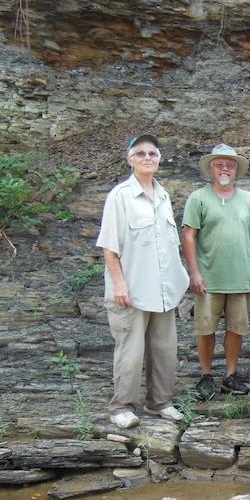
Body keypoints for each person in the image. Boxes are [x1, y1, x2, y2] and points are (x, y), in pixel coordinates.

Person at [97, 134, 189, 429]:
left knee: (165, 350)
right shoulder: (120, 196)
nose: (147, 158)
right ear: (130, 160)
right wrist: (119, 284)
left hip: (163, 290)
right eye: (141, 153)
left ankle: (159, 402)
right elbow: (109, 247)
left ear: (159, 159)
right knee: (130, 353)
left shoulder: (163, 196)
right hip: (132, 290)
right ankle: (121, 407)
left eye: (152, 153)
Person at [181, 144, 250, 400]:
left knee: (236, 329)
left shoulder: (249, 200)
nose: (224, 169)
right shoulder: (198, 198)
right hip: (209, 279)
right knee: (205, 329)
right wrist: (194, 273)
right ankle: (206, 375)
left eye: (229, 165)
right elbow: (188, 236)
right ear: (211, 169)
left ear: (236, 170)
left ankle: (230, 375)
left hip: (240, 278)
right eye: (219, 165)